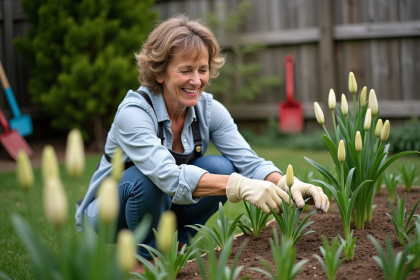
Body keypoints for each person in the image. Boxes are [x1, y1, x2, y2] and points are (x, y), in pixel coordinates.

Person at [75, 14, 329, 272]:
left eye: (203, 69)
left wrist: (291, 184)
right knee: (145, 179)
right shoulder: (134, 113)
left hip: (165, 203)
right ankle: (143, 258)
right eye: (185, 70)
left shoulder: (209, 109)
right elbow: (166, 175)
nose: (196, 81)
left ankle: (178, 245)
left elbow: (248, 161)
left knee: (221, 166)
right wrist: (238, 186)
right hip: (108, 212)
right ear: (160, 72)